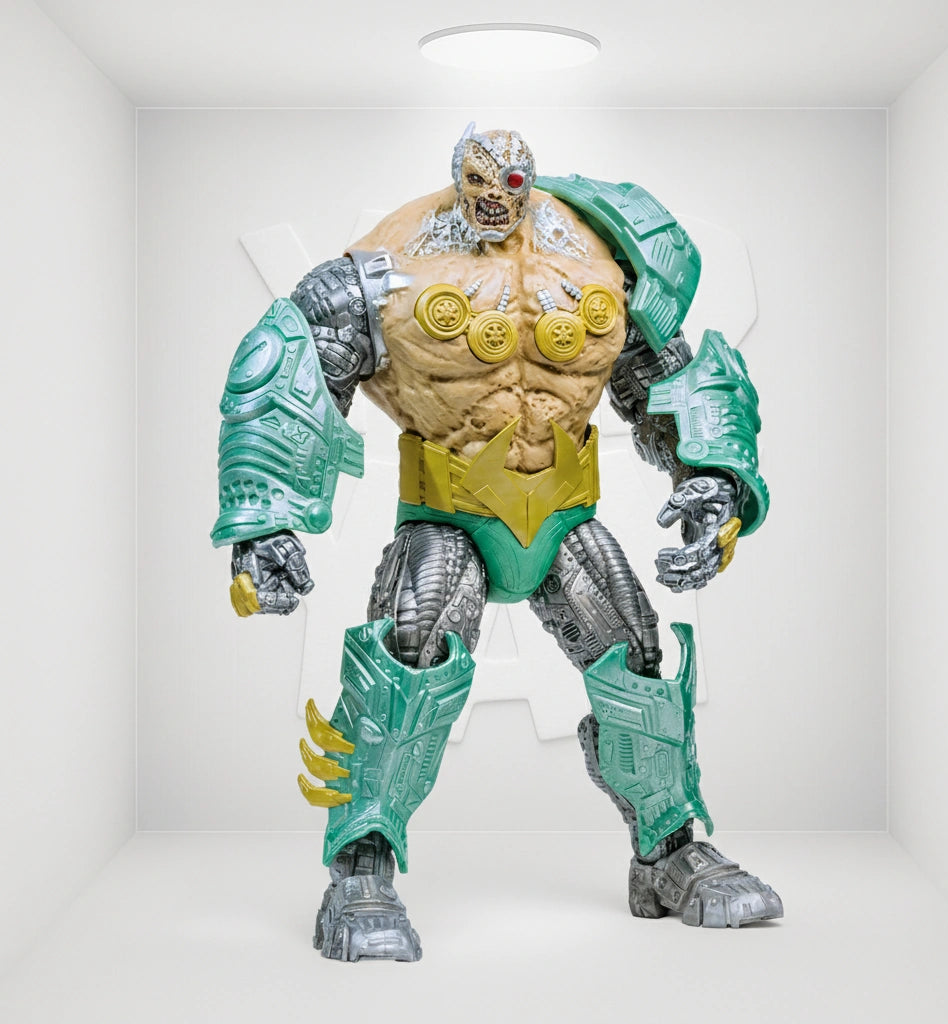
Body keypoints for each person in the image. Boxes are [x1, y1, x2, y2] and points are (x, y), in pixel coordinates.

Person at [212, 124, 781, 962]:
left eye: (508, 182)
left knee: (639, 664)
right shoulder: (387, 265)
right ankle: (361, 873)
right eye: (477, 181)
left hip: (564, 511)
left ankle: (668, 853)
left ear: (529, 179)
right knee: (406, 668)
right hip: (450, 510)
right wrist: (265, 517)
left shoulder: (601, 255)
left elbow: (667, 374)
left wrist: (711, 477)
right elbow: (291, 361)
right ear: (457, 175)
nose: (492, 197)